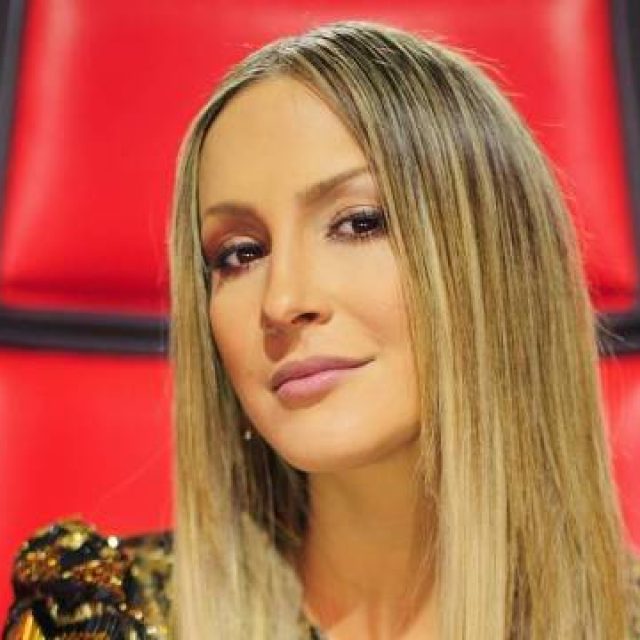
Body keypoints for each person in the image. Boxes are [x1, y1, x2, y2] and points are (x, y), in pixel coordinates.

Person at [3, 19, 640, 640]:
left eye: (359, 223)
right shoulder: (100, 620)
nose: (282, 301)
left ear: (495, 265)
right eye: (240, 253)